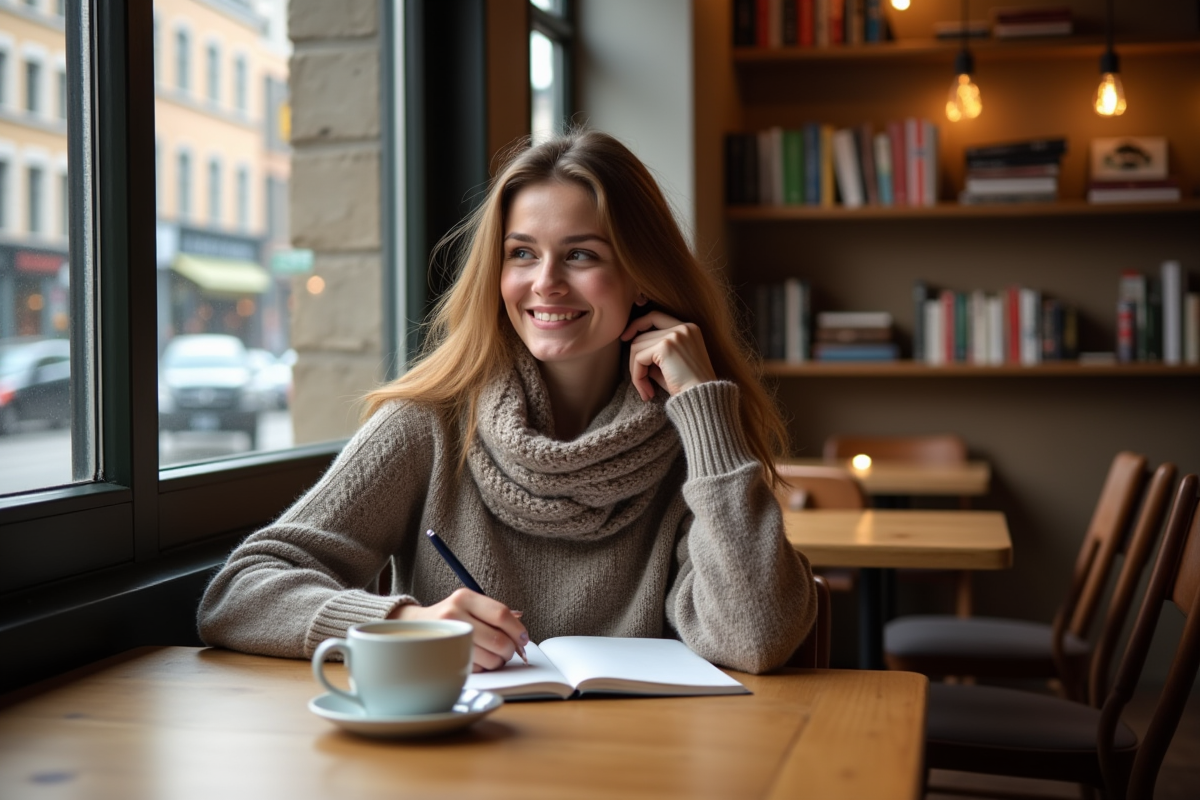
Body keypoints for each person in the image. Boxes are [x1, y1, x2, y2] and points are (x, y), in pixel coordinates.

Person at [198, 129, 816, 675]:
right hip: (458, 760)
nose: (545, 281)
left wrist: (707, 410)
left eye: (581, 254)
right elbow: (239, 594)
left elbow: (754, 638)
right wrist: (405, 623)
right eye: (522, 253)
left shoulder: (694, 442)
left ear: (643, 276)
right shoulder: (428, 426)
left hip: (640, 764)